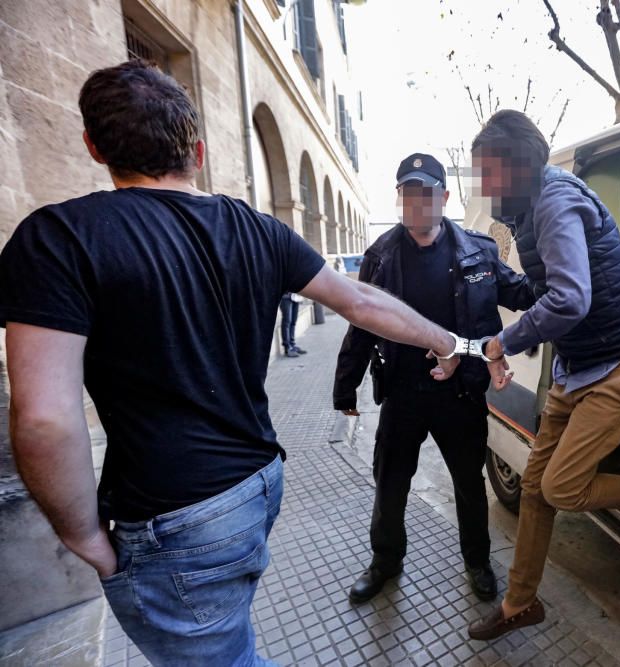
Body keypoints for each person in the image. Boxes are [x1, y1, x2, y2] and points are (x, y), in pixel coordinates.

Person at [0, 60, 491, 666]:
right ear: (199, 152)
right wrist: (439, 342)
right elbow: (361, 304)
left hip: (173, 516)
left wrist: (81, 538)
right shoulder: (259, 230)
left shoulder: (58, 238)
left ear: (94, 146)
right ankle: (381, 562)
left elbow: (45, 419)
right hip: (257, 482)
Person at [466, 110, 620, 640]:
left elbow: (569, 298)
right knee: (536, 491)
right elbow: (543, 288)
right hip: (574, 368)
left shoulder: (557, 201)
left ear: (517, 167)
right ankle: (520, 603)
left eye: (487, 172)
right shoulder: (523, 209)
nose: (482, 185)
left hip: (618, 366)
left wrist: (503, 342)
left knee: (561, 487)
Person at [334, 153, 535, 604]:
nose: (417, 203)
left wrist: (558, 275)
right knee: (390, 483)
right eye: (409, 193)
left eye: (426, 193)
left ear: (443, 198)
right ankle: (385, 562)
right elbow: (361, 321)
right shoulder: (381, 256)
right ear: (399, 198)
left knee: (468, 482)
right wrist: (346, 385)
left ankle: (478, 561)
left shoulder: (478, 251)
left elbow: (521, 292)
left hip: (460, 392)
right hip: (403, 394)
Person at [279, 291, 307, 357]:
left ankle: (292, 344)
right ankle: (287, 347)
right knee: (287, 322)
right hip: (285, 297)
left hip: (296, 297)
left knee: (293, 322)